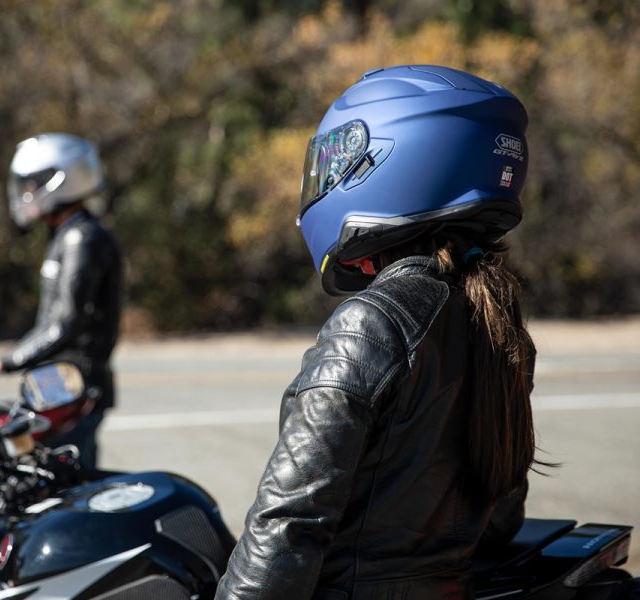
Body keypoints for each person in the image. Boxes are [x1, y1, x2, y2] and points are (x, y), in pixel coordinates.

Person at [215, 65, 538, 599]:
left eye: (337, 161)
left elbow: (288, 525)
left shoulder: (371, 323)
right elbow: (501, 518)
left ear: (397, 158)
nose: (325, 178)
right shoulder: (497, 319)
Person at [0, 133, 122, 471]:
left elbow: (63, 324)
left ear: (62, 180)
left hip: (76, 387)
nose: (27, 193)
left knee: (66, 482)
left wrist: (2, 362)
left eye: (34, 183)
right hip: (59, 385)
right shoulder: (69, 234)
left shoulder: (81, 239)